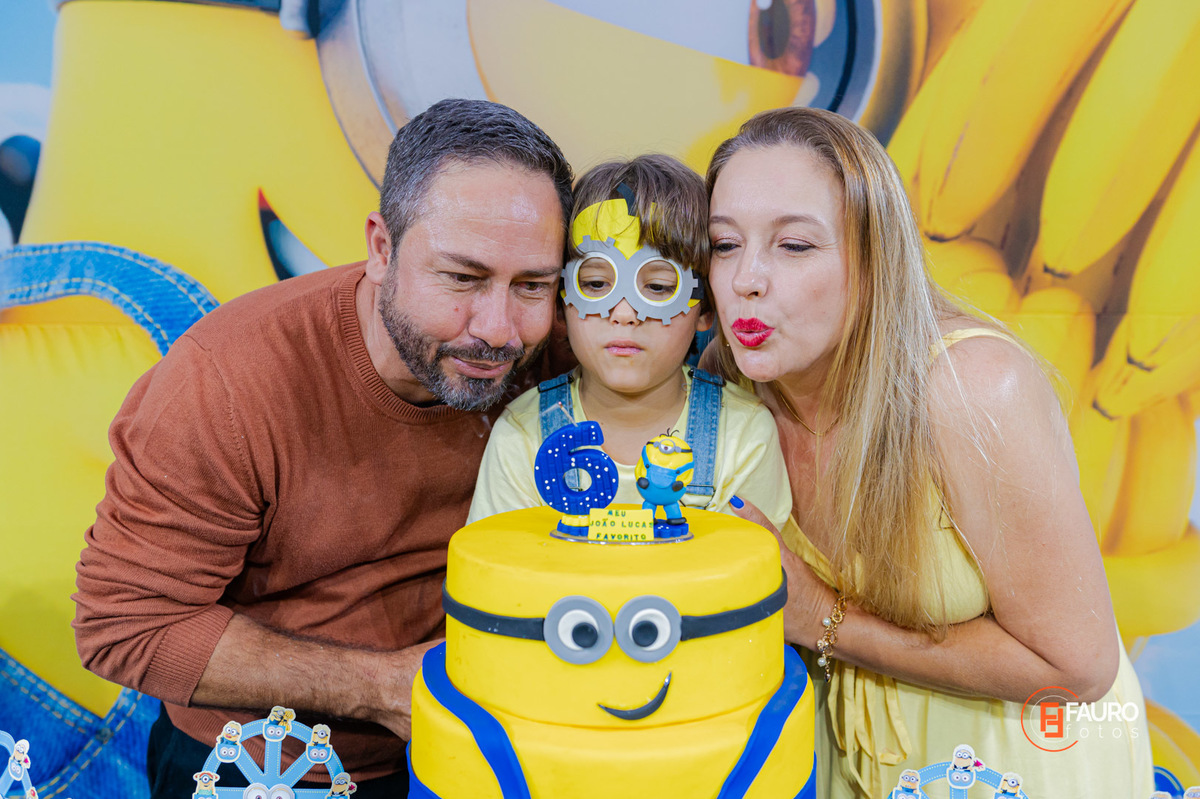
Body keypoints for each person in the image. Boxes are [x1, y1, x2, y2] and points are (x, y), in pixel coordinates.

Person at [71, 99, 574, 799]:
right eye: (461, 278)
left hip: (485, 753)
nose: (497, 329)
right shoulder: (227, 381)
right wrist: (385, 687)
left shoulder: (562, 349)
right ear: (381, 249)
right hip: (261, 768)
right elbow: (124, 624)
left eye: (532, 285)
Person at [702, 107, 1153, 797]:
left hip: (1014, 768)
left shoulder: (970, 389)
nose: (746, 279)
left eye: (793, 245)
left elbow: (1078, 669)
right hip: (846, 769)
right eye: (725, 244)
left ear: (873, 257)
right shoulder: (726, 389)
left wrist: (820, 616)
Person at [468, 155, 791, 530]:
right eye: (595, 284)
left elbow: (748, 564)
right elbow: (500, 562)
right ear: (561, 301)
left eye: (658, 287)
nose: (624, 313)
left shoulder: (743, 436)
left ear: (705, 308)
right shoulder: (522, 436)